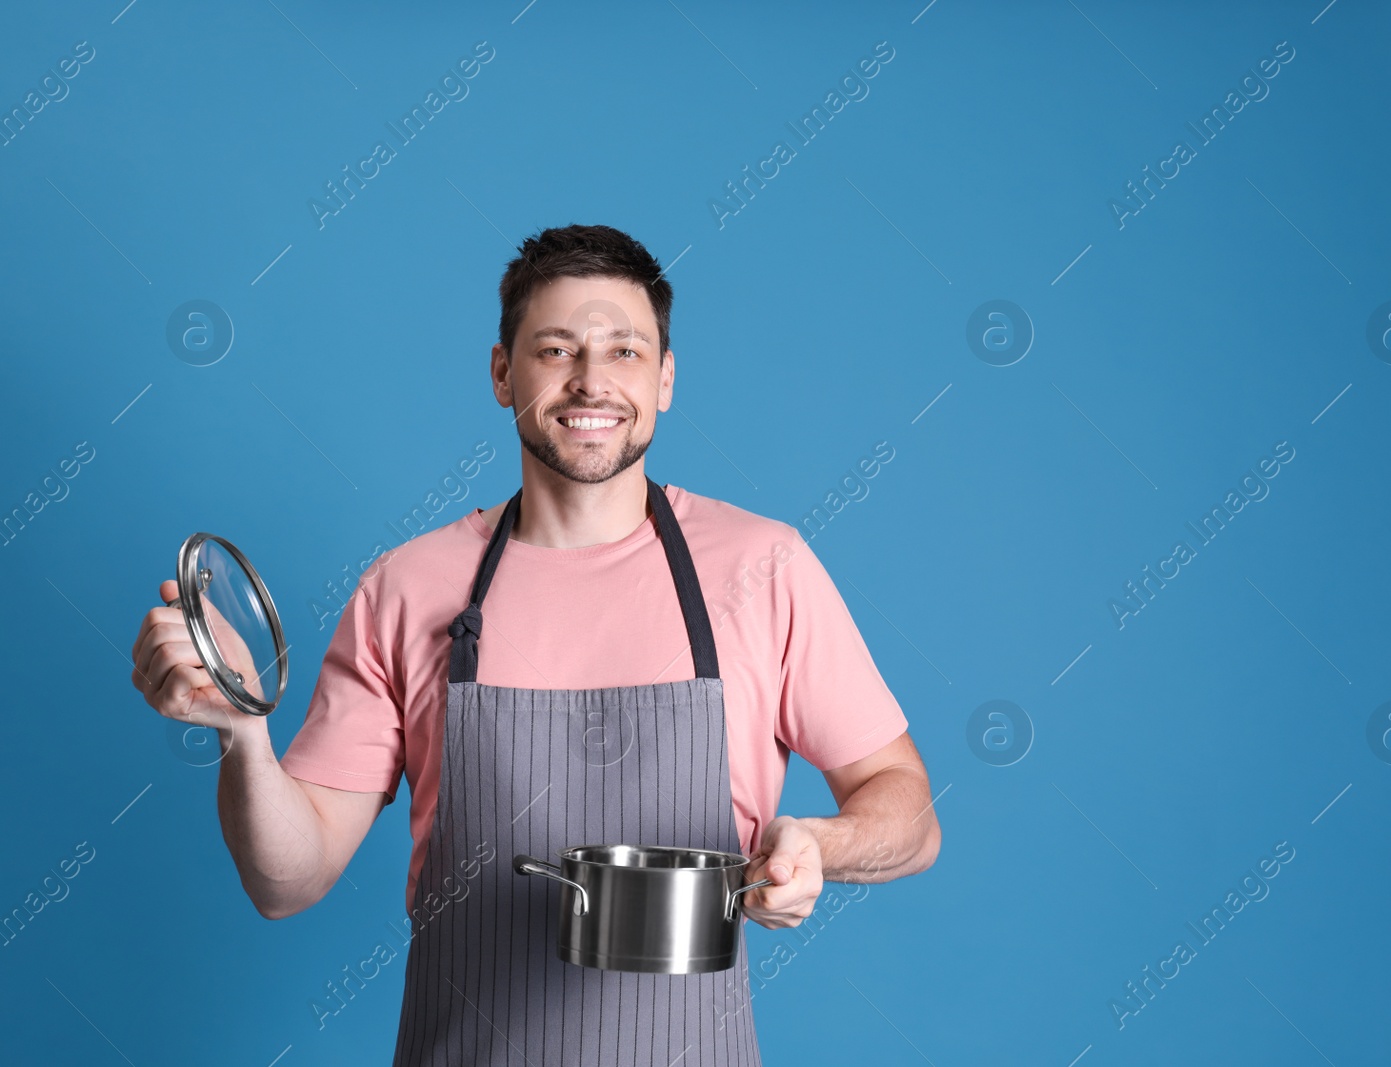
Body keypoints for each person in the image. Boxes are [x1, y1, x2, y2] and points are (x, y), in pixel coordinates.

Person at [130, 223, 940, 1066]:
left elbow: (910, 812)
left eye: (625, 351)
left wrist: (821, 843)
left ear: (665, 378)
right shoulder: (408, 588)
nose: (592, 380)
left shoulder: (763, 567)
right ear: (501, 372)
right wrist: (243, 733)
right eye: (556, 349)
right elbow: (285, 882)